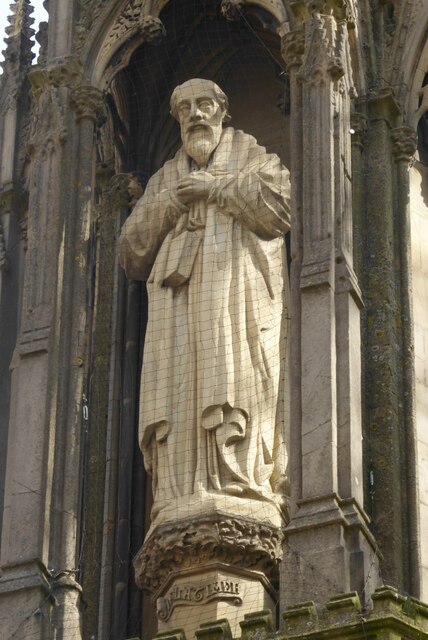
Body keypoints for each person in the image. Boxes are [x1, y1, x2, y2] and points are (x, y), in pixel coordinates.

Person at [119, 79, 291, 528]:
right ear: (176, 120)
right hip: (176, 315)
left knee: (236, 383)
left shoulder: (254, 157)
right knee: (178, 394)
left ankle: (243, 481)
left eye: (205, 104)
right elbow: (130, 252)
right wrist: (175, 202)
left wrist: (214, 188)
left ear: (222, 110)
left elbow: (279, 207)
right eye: (185, 108)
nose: (196, 114)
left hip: (237, 303)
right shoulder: (164, 180)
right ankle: (177, 492)